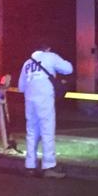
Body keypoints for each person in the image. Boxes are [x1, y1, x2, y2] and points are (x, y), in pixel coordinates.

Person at [18, 44, 73, 178]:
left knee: (31, 132)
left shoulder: (27, 63)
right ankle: (49, 165)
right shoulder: (50, 57)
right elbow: (68, 69)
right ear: (47, 48)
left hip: (30, 100)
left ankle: (30, 166)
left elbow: (21, 87)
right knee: (47, 131)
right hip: (45, 99)